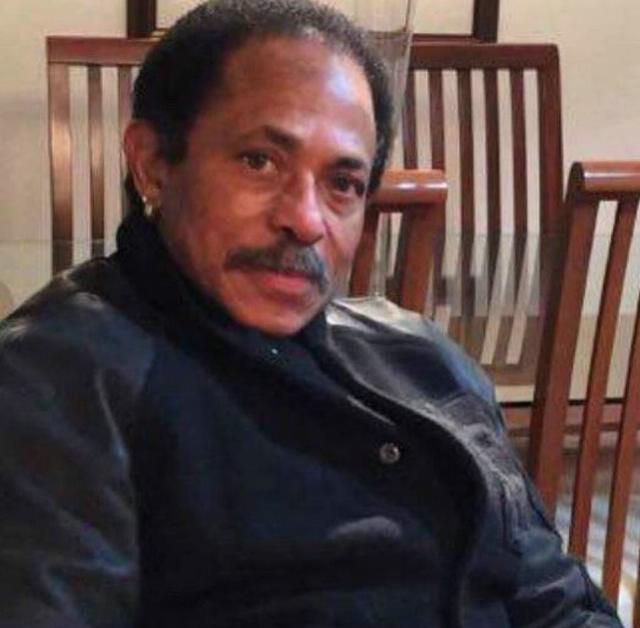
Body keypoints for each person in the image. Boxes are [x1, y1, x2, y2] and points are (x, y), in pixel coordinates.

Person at [0, 1, 622, 626]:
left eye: (343, 184)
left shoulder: (422, 357)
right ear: (153, 164)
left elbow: (556, 602)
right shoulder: (62, 376)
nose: (305, 219)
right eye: (259, 161)